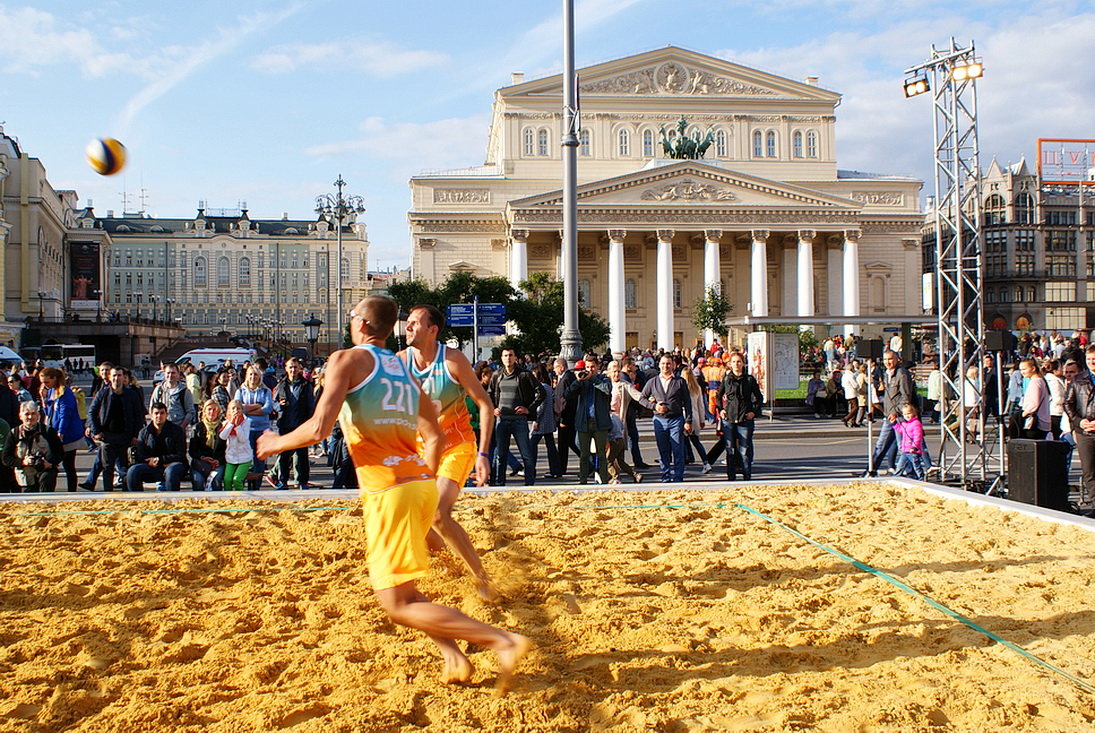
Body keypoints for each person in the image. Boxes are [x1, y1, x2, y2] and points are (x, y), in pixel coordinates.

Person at [256, 295, 529, 689]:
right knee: (407, 591)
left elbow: (318, 428)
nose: (350, 322)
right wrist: (420, 482)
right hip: (417, 482)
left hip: (390, 490)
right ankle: (454, 655)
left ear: (363, 325)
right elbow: (433, 434)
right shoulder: (402, 370)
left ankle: (500, 640)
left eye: (352, 317)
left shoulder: (347, 360)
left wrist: (273, 443)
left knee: (396, 604)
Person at [401, 304, 498, 599]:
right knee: (410, 519)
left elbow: (485, 405)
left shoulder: (453, 361)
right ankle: (447, 562)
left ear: (433, 330)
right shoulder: (399, 362)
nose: (407, 327)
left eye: (415, 322)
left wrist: (483, 454)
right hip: (419, 450)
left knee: (439, 515)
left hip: (457, 445)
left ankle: (483, 580)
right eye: (407, 321)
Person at [488, 348, 543, 487]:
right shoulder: (497, 375)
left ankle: (529, 483)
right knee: (500, 455)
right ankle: (499, 484)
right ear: (501, 358)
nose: (508, 358)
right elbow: (489, 394)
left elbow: (541, 392)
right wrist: (493, 408)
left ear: (515, 357)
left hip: (519, 420)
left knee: (526, 454)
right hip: (502, 420)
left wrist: (528, 409)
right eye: (505, 355)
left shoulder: (524, 374)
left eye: (511, 355)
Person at [87, 366, 145, 491]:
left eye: (119, 375)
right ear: (109, 377)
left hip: (126, 436)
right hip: (107, 436)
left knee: (125, 468)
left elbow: (138, 415)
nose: (116, 378)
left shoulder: (132, 394)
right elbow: (92, 411)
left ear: (124, 378)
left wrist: (136, 435)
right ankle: (108, 493)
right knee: (107, 468)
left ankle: (126, 493)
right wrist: (96, 431)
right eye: (114, 375)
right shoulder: (103, 393)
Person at [638, 354, 693, 483]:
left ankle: (678, 477)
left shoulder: (679, 381)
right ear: (659, 365)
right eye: (663, 363)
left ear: (673, 365)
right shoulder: (653, 382)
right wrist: (654, 406)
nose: (665, 366)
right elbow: (642, 398)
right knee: (663, 450)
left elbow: (687, 402)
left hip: (676, 419)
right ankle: (665, 476)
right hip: (659, 421)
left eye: (668, 363)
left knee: (677, 448)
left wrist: (688, 421)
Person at [865, 350, 916, 477]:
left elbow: (905, 396)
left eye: (890, 359)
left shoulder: (902, 374)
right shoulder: (887, 373)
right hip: (889, 416)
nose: (888, 362)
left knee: (902, 446)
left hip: (899, 417)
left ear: (897, 359)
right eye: (885, 359)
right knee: (881, 445)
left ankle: (910, 472)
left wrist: (897, 413)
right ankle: (871, 470)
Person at [715, 352, 764, 481]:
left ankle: (747, 475)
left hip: (745, 418)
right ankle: (731, 476)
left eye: (739, 362)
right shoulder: (727, 379)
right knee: (729, 449)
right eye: (734, 362)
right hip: (729, 418)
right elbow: (718, 396)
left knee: (744, 450)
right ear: (730, 364)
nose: (736, 364)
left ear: (743, 363)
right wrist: (721, 410)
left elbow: (759, 397)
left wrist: (754, 412)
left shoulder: (749, 379)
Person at [565, 357, 612, 485]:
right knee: (584, 454)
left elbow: (607, 389)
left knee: (601, 454)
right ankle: (583, 480)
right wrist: (578, 381)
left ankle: (604, 480)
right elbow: (567, 394)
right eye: (587, 367)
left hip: (599, 422)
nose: (589, 370)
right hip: (583, 422)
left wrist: (592, 378)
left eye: (592, 367)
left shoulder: (603, 379)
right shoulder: (582, 382)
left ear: (597, 367)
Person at [272, 358, 316, 489]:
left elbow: (310, 405)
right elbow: (273, 403)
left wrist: (310, 423)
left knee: (302, 455)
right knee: (284, 455)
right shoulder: (281, 384)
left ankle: (302, 481)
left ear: (299, 369)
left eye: (295, 367)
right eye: (290, 367)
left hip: (301, 425)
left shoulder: (306, 385)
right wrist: (279, 406)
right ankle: (283, 481)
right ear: (286, 368)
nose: (293, 370)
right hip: (285, 424)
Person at [39, 367, 84, 492]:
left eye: (47, 382)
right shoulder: (50, 391)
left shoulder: (64, 392)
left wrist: (61, 432)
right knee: (52, 463)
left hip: (67, 433)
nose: (44, 385)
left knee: (68, 465)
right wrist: (44, 400)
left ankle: (72, 491)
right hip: (54, 430)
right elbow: (49, 413)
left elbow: (66, 414)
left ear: (54, 379)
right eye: (42, 382)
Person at [2, 400, 63, 492]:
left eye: (33, 414)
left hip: (45, 471)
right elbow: (6, 458)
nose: (30, 417)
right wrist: (23, 462)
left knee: (46, 483)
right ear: (20, 416)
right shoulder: (14, 433)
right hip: (24, 474)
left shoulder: (48, 431)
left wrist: (50, 463)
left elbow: (60, 453)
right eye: (27, 414)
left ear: (38, 415)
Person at [127, 402, 188, 491]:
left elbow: (180, 454)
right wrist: (151, 462)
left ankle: (173, 500)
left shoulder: (177, 431)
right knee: (133, 471)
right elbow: (140, 455)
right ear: (151, 416)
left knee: (171, 471)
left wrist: (160, 460)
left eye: (162, 413)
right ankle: (137, 500)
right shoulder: (144, 432)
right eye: (156, 413)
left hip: (172, 465)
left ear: (166, 415)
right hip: (151, 466)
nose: (159, 416)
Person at [237, 365, 275, 489]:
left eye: (256, 374)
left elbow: (268, 409)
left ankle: (256, 486)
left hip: (261, 429)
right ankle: (242, 485)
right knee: (245, 460)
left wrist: (248, 409)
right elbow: (238, 408)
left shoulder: (266, 391)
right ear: (247, 376)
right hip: (246, 429)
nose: (253, 377)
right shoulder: (240, 391)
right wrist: (257, 406)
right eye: (251, 374)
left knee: (259, 461)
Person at [529, 362, 561, 480]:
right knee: (550, 446)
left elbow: (540, 406)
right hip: (549, 420)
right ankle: (556, 469)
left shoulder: (540, 387)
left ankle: (530, 468)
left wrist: (536, 420)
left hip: (541, 421)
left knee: (532, 445)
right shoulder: (548, 387)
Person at [191, 399, 227, 490]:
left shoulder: (223, 427)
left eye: (215, 409)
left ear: (218, 411)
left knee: (216, 479)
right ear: (204, 411)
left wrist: (218, 461)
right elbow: (192, 451)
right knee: (198, 480)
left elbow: (226, 449)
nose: (212, 412)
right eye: (209, 409)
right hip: (200, 462)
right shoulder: (197, 427)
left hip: (217, 462)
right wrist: (203, 458)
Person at [149, 362, 195, 432]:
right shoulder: (159, 389)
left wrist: (182, 426)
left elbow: (190, 412)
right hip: (161, 429)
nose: (170, 375)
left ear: (178, 374)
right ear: (164, 374)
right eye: (168, 373)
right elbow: (152, 408)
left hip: (178, 429)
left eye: (173, 373)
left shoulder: (185, 391)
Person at [220, 400, 253, 492]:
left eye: (238, 408)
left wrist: (237, 427)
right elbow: (223, 436)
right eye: (233, 408)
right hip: (231, 457)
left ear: (242, 410)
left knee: (237, 479)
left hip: (244, 457)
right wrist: (231, 424)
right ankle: (228, 499)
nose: (236, 410)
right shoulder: (226, 423)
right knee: (227, 480)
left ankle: (241, 498)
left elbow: (243, 439)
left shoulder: (246, 422)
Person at [1012, 357, 1050, 440]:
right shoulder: (1040, 381)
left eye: (1024, 369)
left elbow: (1034, 404)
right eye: (1021, 370)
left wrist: (1023, 414)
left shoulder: (1035, 382)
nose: (1022, 372)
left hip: (1035, 422)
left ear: (1033, 368)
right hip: (1042, 421)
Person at [893, 403, 927, 480]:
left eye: (909, 413)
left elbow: (917, 436)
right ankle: (897, 476)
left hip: (913, 450)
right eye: (904, 414)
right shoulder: (905, 424)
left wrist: (915, 447)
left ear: (914, 413)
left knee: (916, 465)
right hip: (905, 450)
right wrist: (895, 423)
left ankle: (921, 477)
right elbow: (900, 430)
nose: (907, 416)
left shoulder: (916, 423)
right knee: (900, 465)